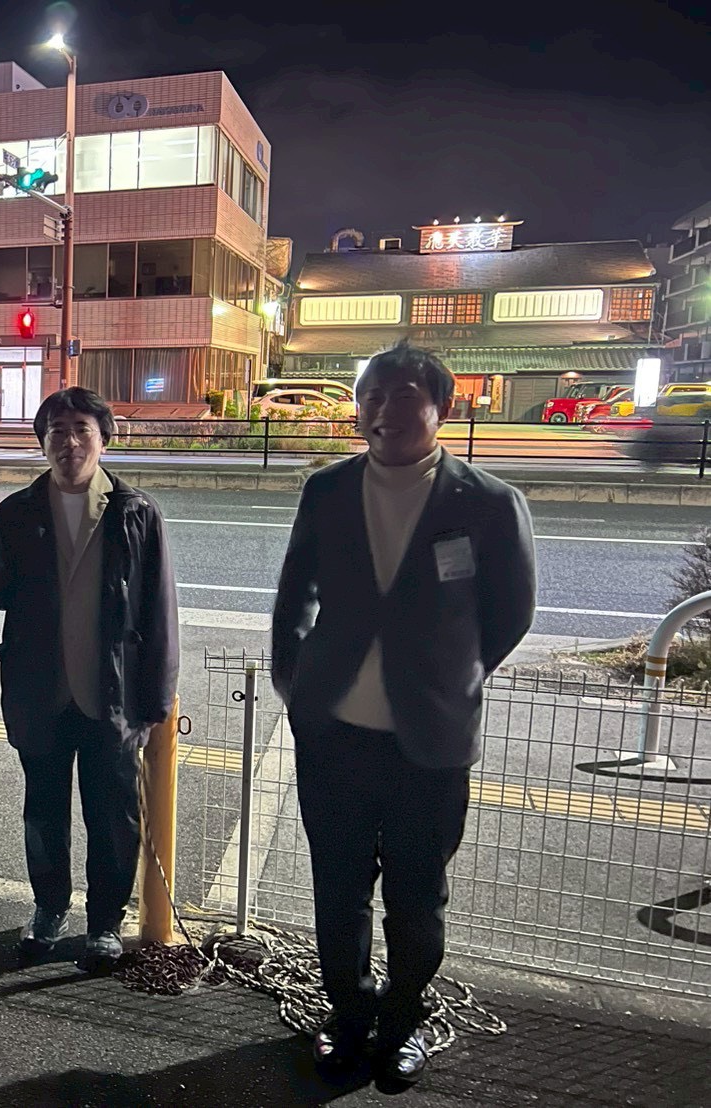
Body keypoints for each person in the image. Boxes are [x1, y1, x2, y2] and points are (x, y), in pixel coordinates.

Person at [271, 342, 536, 1085]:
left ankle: (402, 1023)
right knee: (338, 891)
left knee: (417, 900)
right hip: (334, 735)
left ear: (442, 407)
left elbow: (510, 614)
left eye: (402, 395)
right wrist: (296, 684)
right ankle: (347, 1018)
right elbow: (294, 597)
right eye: (371, 395)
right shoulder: (327, 490)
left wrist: (451, 676)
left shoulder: (487, 502)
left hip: (430, 742)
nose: (382, 410)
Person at [0, 386, 179, 971]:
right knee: (43, 810)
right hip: (41, 692)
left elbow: (158, 607)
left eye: (82, 429)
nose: (70, 441)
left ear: (103, 439)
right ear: (43, 443)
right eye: (57, 431)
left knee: (112, 814)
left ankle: (105, 920)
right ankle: (49, 908)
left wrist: (156, 695)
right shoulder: (17, 512)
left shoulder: (135, 512)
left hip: (111, 693)